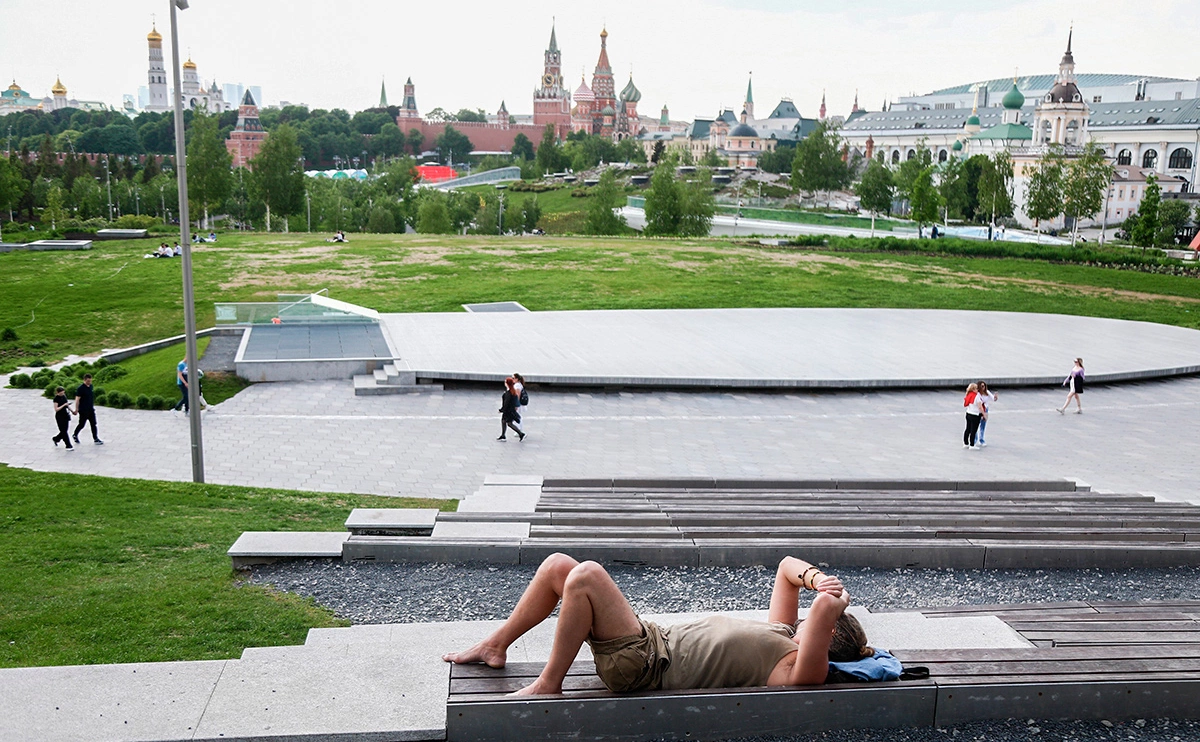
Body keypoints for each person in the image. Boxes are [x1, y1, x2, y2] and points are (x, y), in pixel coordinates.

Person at [443, 553, 897, 696]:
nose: (800, 617)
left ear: (824, 639)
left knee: (584, 577)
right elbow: (784, 568)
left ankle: (548, 684)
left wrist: (835, 600)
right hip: (645, 639)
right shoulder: (781, 635)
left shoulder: (799, 670)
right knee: (560, 565)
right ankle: (495, 645)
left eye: (814, 623)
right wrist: (817, 578)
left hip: (641, 665)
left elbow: (820, 613)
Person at [72, 373, 103, 445]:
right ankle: (75, 434)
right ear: (84, 380)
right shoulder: (81, 388)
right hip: (83, 410)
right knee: (82, 424)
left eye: (90, 381)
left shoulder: (91, 386)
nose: (89, 382)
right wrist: (76, 409)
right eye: (88, 381)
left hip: (90, 409)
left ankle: (95, 438)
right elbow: (77, 399)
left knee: (93, 424)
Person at [497, 376, 525, 441]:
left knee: (509, 423)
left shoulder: (508, 393)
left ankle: (520, 433)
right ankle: (503, 435)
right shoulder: (512, 391)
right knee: (504, 421)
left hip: (508, 411)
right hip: (510, 410)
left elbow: (506, 403)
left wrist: (502, 410)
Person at [51, 386, 74, 450]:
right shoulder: (56, 399)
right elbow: (56, 409)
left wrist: (72, 411)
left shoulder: (64, 397)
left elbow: (67, 405)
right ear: (58, 393)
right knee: (63, 431)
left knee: (64, 430)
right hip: (59, 416)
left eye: (63, 393)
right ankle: (68, 445)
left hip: (65, 415)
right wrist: (63, 405)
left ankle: (56, 438)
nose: (62, 394)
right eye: (61, 393)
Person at [976, 381, 997, 447]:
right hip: (978, 410)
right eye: (982, 386)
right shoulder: (977, 394)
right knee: (976, 425)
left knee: (983, 425)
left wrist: (995, 397)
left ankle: (981, 439)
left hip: (985, 409)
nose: (983, 388)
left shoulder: (987, 392)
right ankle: (974, 440)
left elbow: (993, 399)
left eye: (984, 386)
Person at [962, 382, 983, 449]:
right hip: (975, 414)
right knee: (973, 430)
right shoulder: (977, 397)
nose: (978, 390)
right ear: (973, 389)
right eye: (977, 388)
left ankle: (965, 443)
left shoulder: (968, 395)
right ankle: (972, 444)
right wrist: (984, 414)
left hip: (968, 413)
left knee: (967, 429)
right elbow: (980, 406)